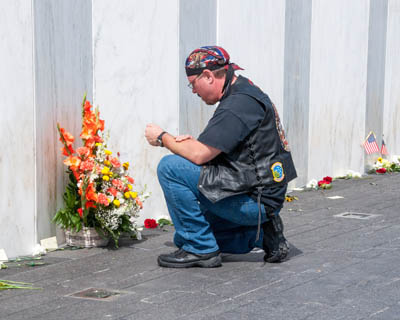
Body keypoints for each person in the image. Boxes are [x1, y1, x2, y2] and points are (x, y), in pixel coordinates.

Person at [145, 46, 297, 268]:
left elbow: (199, 155)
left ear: (207, 76)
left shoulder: (237, 104)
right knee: (182, 237)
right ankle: (261, 235)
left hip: (256, 200)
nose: (194, 91)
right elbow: (220, 149)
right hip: (261, 196)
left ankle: (201, 250)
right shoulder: (244, 92)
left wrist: (162, 137)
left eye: (192, 84)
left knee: (170, 167)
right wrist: (191, 146)